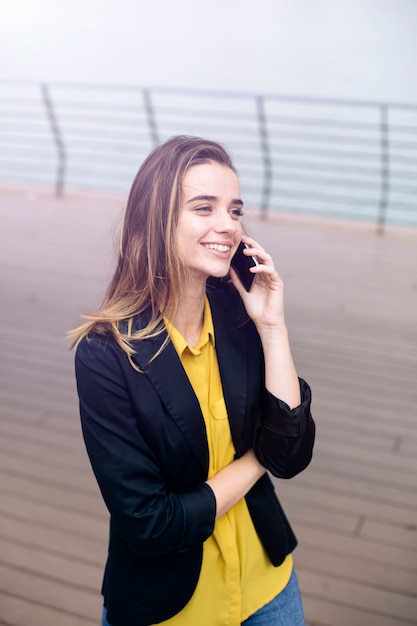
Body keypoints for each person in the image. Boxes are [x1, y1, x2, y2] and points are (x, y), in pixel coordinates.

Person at [71, 135, 315, 626]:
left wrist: (273, 326)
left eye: (235, 209)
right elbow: (151, 524)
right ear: (156, 220)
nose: (228, 224)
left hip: (268, 587)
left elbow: (290, 453)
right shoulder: (105, 354)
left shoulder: (239, 314)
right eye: (204, 208)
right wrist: (254, 461)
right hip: (169, 605)